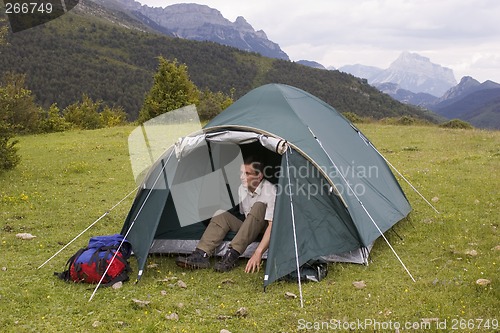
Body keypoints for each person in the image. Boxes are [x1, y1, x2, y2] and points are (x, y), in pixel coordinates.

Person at [176, 155, 276, 273]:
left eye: (247, 174)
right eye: (241, 173)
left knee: (258, 206)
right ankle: (201, 255)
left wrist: (258, 252)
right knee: (221, 215)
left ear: (259, 176)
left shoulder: (271, 190)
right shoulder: (241, 189)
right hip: (249, 226)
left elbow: (272, 225)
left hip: (264, 230)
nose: (242, 177)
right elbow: (245, 217)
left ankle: (231, 256)